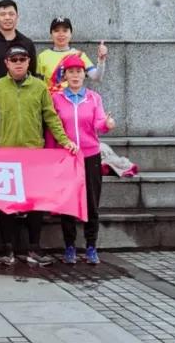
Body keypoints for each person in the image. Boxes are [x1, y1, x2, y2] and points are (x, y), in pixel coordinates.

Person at [0, 45, 77, 267]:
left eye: (22, 59)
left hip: (34, 154)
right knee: (6, 204)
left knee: (36, 203)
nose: (18, 63)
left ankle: (34, 248)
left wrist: (65, 141)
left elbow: (50, 117)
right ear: (6, 63)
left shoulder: (39, 87)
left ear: (28, 62)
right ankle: (7, 249)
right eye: (14, 59)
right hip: (6, 155)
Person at [46, 53, 114, 265]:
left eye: (79, 72)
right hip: (66, 157)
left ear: (84, 75)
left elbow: (99, 123)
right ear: (65, 75)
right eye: (71, 72)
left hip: (90, 155)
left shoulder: (94, 98)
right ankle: (70, 246)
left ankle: (91, 246)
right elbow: (52, 129)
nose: (75, 76)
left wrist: (107, 124)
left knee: (91, 202)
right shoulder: (57, 99)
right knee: (68, 203)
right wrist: (52, 153)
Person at [0, 0, 37, 89]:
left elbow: (32, 74)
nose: (7, 17)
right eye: (3, 14)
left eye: (11, 14)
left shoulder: (27, 44)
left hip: (21, 95)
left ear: (17, 17)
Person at [36, 16, 107, 83]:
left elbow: (96, 77)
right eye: (56, 31)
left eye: (65, 31)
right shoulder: (42, 56)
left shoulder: (79, 55)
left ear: (71, 34)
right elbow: (38, 83)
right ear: (51, 34)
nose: (61, 34)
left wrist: (101, 60)